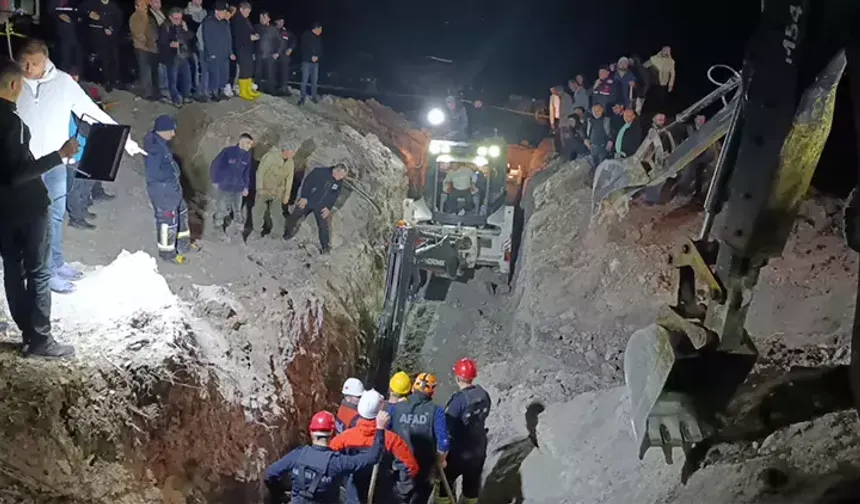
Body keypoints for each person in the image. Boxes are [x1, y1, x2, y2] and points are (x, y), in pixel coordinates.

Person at [15, 39, 144, 294]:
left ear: (47, 60)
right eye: (24, 63)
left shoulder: (63, 83)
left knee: (55, 216)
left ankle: (56, 262)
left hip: (54, 164)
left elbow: (90, 110)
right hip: (26, 165)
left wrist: (124, 140)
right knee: (37, 221)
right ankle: (45, 272)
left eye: (35, 63)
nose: (29, 68)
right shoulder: (12, 82)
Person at [0, 58, 79, 358]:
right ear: (14, 85)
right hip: (28, 208)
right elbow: (18, 173)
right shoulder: (13, 122)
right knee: (39, 271)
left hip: (3, 210)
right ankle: (40, 339)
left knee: (12, 268)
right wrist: (59, 155)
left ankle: (27, 333)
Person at [264, 409, 391, 504]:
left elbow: (269, 474)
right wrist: (379, 428)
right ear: (333, 433)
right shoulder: (338, 462)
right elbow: (373, 457)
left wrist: (280, 495)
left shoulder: (297, 455)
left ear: (311, 432)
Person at [330, 390, 420, 504]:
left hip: (353, 491)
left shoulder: (343, 439)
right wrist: (399, 492)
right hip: (383, 491)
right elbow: (411, 467)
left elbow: (328, 463)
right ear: (381, 412)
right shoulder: (391, 440)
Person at [389, 373, 449, 504]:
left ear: (413, 388)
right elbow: (443, 443)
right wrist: (440, 462)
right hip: (425, 470)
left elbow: (384, 433)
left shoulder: (395, 409)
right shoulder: (436, 411)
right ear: (432, 392)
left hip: (400, 468)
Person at [439, 358, 491, 504]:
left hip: (459, 452)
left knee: (444, 484)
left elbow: (447, 427)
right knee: (471, 488)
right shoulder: (483, 394)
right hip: (479, 449)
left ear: (457, 377)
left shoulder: (458, 401)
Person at [144, 115, 195, 264]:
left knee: (182, 212)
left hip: (172, 188)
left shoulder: (161, 142)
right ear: (162, 130)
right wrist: (170, 176)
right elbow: (154, 173)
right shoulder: (154, 148)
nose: (173, 134)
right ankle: (168, 254)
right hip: (163, 191)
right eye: (171, 130)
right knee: (168, 221)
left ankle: (183, 245)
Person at [283, 163, 347, 254]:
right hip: (308, 201)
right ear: (335, 171)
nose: (341, 178)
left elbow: (334, 196)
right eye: (340, 175)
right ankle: (286, 233)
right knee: (295, 215)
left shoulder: (339, 182)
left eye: (343, 176)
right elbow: (307, 183)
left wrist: (328, 208)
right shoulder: (320, 172)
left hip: (321, 206)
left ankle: (325, 248)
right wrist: (303, 197)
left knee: (324, 226)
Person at [210, 133, 254, 233]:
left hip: (238, 188)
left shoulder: (247, 156)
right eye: (248, 143)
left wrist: (246, 187)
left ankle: (238, 231)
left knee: (238, 210)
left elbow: (247, 172)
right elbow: (215, 165)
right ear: (241, 141)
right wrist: (215, 180)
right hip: (225, 186)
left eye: (251, 144)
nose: (249, 146)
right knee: (222, 209)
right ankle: (218, 229)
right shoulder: (228, 152)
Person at [254, 140, 297, 238]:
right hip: (264, 188)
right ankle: (256, 231)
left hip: (277, 191)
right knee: (259, 211)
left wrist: (286, 196)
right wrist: (259, 188)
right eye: (292, 152)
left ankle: (277, 233)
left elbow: (290, 179)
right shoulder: (270, 156)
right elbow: (260, 172)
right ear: (286, 151)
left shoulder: (290, 163)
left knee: (277, 212)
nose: (294, 154)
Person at [83, 0, 123, 91]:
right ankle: (106, 81)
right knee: (104, 59)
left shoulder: (114, 7)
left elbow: (119, 21)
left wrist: (112, 30)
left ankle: (116, 80)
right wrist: (89, 14)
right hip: (99, 38)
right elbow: (85, 12)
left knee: (114, 59)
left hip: (112, 38)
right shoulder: (93, 5)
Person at [159, 8, 195, 107]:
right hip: (172, 56)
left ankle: (186, 96)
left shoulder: (181, 26)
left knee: (186, 77)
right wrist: (170, 44)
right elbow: (161, 42)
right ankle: (176, 99)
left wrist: (186, 29)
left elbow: (190, 37)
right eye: (176, 19)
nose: (178, 21)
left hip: (183, 55)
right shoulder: (165, 27)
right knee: (173, 79)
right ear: (170, 17)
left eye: (180, 19)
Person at [201, 2, 233, 101]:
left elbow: (229, 38)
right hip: (215, 53)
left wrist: (230, 52)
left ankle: (221, 91)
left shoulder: (225, 22)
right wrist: (211, 54)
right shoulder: (208, 22)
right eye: (223, 11)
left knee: (224, 73)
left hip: (224, 53)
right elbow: (207, 39)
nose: (225, 14)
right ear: (217, 11)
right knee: (215, 74)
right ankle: (214, 93)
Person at [130, 0, 161, 101]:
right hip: (142, 48)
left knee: (153, 71)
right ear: (136, 6)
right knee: (145, 71)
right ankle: (148, 94)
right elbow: (138, 33)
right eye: (142, 5)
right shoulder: (136, 17)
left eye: (145, 4)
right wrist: (148, 43)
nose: (145, 6)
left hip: (151, 48)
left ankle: (155, 92)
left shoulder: (147, 16)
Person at [231, 1, 261, 101]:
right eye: (247, 11)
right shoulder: (237, 20)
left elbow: (251, 31)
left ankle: (248, 89)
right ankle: (243, 91)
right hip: (242, 49)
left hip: (248, 49)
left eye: (249, 11)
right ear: (241, 9)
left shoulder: (246, 20)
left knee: (249, 69)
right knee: (244, 70)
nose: (248, 13)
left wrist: (255, 35)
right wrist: (250, 37)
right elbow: (238, 35)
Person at [48, 0, 82, 72]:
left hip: (76, 32)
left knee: (75, 54)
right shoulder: (55, 3)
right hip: (62, 32)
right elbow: (50, 10)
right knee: (64, 53)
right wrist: (59, 15)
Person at [183, 0, 207, 100]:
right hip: (191, 44)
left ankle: (201, 89)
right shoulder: (186, 13)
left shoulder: (204, 12)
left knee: (203, 67)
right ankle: (194, 89)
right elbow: (189, 30)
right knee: (194, 66)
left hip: (202, 43)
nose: (199, 1)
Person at [254, 11, 280, 94]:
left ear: (268, 19)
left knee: (270, 74)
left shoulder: (273, 29)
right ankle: (257, 89)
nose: (262, 20)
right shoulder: (256, 27)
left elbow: (279, 41)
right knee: (258, 73)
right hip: (259, 54)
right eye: (260, 18)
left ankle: (271, 91)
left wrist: (277, 52)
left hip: (270, 55)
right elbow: (252, 41)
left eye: (263, 18)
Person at [643, 46, 676, 112]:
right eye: (665, 51)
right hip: (653, 84)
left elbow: (672, 74)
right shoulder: (654, 58)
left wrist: (670, 85)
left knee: (660, 102)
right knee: (649, 100)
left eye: (668, 51)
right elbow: (644, 66)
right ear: (662, 51)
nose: (667, 52)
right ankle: (648, 114)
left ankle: (658, 115)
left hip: (663, 85)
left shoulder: (671, 62)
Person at [299, 22, 323, 105]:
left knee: (314, 81)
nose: (321, 31)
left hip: (315, 63)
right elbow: (303, 48)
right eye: (320, 29)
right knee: (304, 80)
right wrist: (311, 57)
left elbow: (320, 50)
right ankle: (302, 98)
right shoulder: (306, 36)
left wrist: (317, 56)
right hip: (306, 61)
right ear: (316, 28)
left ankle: (314, 97)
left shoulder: (318, 38)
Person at [585, 103, 613, 169]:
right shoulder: (590, 120)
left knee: (602, 168)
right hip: (592, 148)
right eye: (594, 111)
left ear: (602, 110)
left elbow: (613, 132)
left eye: (598, 110)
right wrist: (585, 139)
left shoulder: (607, 120)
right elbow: (584, 132)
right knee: (594, 168)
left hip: (603, 148)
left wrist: (611, 140)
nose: (596, 113)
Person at [274, 15, 296, 96]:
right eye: (280, 21)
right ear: (276, 21)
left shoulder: (286, 31)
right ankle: (274, 88)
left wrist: (290, 48)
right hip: (274, 54)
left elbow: (294, 40)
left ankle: (283, 88)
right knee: (274, 71)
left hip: (284, 55)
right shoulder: (272, 30)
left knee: (284, 70)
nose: (281, 23)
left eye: (283, 22)